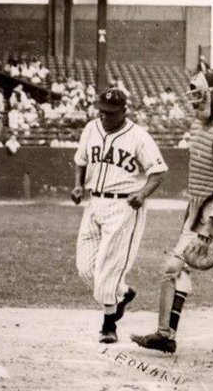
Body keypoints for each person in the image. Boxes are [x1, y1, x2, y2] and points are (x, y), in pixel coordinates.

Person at [132, 72, 213, 357]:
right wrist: (193, 216)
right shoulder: (201, 125)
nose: (194, 99)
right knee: (173, 268)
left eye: (199, 93)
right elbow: (201, 180)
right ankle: (166, 335)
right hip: (201, 209)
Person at [71, 87, 168, 344]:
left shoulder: (139, 136)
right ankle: (122, 294)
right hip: (95, 202)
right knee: (85, 269)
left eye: (110, 113)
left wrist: (143, 193)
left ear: (124, 111)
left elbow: (158, 171)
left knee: (108, 271)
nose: (104, 117)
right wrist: (79, 185)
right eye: (101, 111)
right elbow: (80, 160)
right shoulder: (91, 128)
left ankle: (109, 326)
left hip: (124, 206)